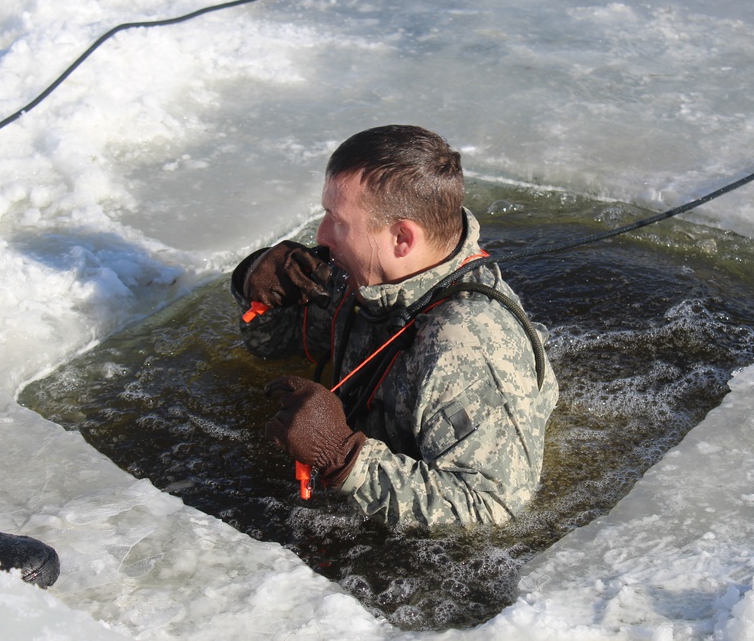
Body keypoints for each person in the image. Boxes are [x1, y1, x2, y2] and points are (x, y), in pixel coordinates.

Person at [230, 125, 558, 527]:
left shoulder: (465, 342)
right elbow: (273, 346)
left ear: (402, 238)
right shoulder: (365, 276)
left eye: (337, 220)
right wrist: (255, 285)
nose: (320, 235)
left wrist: (343, 459)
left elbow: (492, 507)